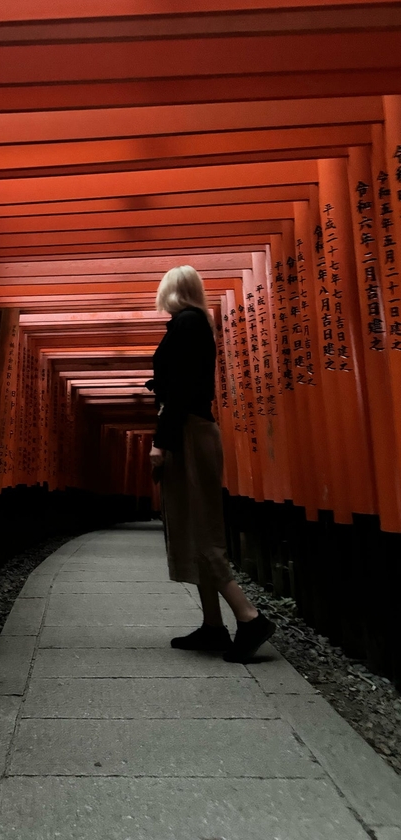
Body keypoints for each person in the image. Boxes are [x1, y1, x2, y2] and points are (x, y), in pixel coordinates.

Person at [148, 265, 275, 663]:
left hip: (187, 431)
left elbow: (182, 390)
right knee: (191, 521)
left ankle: (249, 617)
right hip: (191, 428)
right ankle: (213, 626)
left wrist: (160, 443)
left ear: (171, 290)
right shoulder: (193, 323)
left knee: (199, 524)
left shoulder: (186, 323)